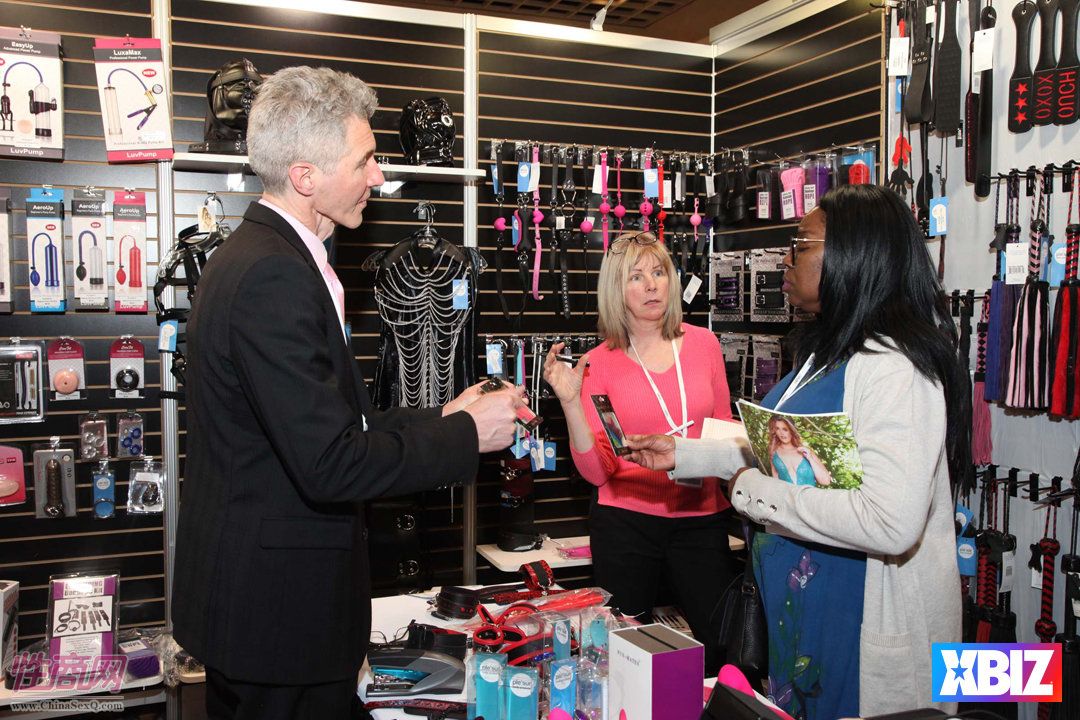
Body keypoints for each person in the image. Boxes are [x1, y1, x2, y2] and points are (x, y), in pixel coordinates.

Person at [173, 67, 521, 720]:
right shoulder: (273, 276)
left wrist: (443, 413)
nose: (378, 176)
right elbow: (330, 461)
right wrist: (468, 435)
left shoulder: (266, 257)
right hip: (278, 623)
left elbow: (329, 422)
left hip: (264, 613)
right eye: (364, 160)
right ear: (305, 175)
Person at [626, 185, 969, 719]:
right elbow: (786, 449)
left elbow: (891, 522)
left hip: (855, 629)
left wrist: (753, 495)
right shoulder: (830, 352)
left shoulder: (895, 368)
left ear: (852, 255)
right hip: (807, 618)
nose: (785, 261)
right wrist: (687, 454)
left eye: (800, 246)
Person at [542, 231, 735, 676]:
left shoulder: (705, 344)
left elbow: (724, 430)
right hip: (626, 524)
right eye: (636, 276)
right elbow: (597, 472)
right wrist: (571, 403)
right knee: (625, 655)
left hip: (702, 518)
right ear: (616, 289)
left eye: (659, 272)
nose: (651, 285)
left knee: (722, 647)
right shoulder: (599, 362)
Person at [766, 416, 831, 486]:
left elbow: (826, 481)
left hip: (810, 493)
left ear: (792, 430)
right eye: (777, 429)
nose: (781, 433)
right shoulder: (774, 453)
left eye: (785, 429)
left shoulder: (806, 452)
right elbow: (776, 483)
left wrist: (810, 458)